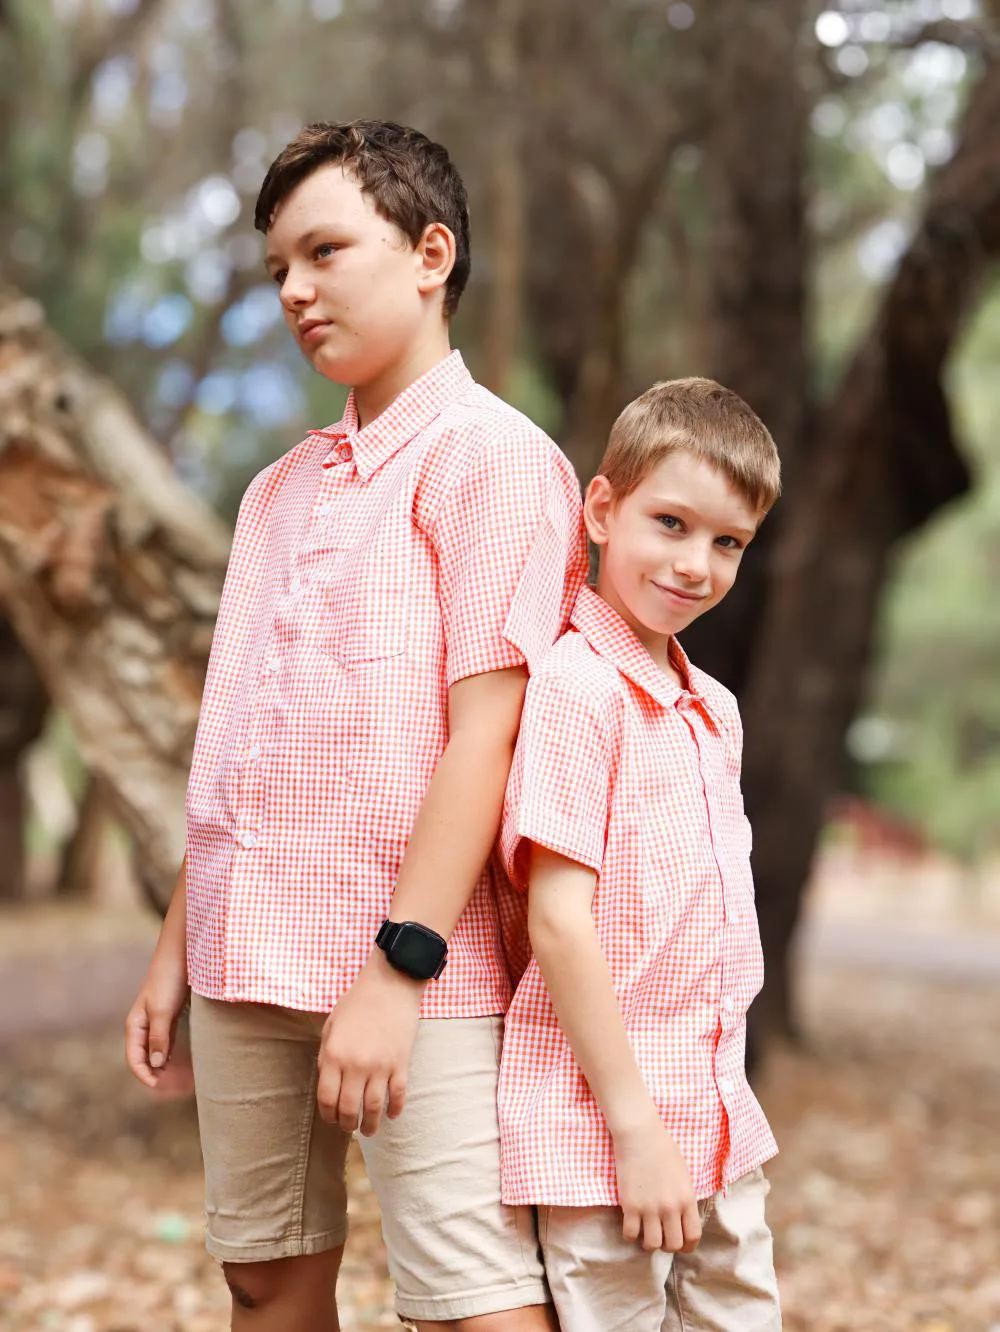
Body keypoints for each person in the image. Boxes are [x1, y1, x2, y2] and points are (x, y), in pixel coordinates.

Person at [124, 119, 587, 1331]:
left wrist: (397, 970)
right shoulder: (274, 492)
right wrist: (179, 949)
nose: (293, 289)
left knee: (472, 1304)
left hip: (418, 967)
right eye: (278, 266)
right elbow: (243, 743)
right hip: (245, 953)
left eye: (324, 251)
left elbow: (488, 738)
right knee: (264, 1277)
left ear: (430, 254)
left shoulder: (496, 462)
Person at [496, 378, 783, 1331]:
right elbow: (557, 919)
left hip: (718, 1121)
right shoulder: (579, 688)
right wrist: (635, 1129)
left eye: (728, 542)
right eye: (671, 524)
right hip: (605, 1132)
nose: (696, 564)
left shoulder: (714, 711)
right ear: (602, 510)